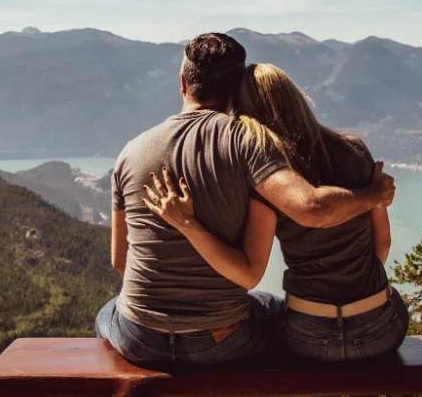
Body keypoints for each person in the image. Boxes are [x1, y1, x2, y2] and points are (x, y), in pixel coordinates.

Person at [95, 34, 396, 369]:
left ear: (182, 83)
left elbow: (120, 262)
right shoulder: (248, 143)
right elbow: (308, 211)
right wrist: (374, 195)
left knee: (108, 312)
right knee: (268, 307)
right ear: (234, 90)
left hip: (140, 338)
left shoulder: (129, 152)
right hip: (222, 339)